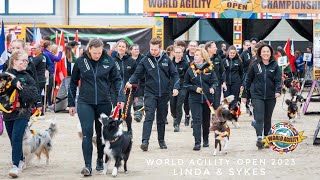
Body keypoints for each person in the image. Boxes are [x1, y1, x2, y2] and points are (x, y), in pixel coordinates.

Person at [68, 39, 125, 176]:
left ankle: (100, 159)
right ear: (89, 50)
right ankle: (87, 165)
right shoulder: (81, 62)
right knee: (87, 133)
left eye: (99, 52)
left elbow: (117, 80)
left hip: (104, 102)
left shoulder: (109, 61)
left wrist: (121, 98)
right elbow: (73, 82)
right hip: (85, 102)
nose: (97, 55)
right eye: (94, 53)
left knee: (101, 134)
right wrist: (71, 103)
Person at [126, 38, 180, 151]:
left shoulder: (166, 59)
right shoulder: (145, 60)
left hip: (164, 94)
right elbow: (137, 73)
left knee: (161, 118)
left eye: (155, 49)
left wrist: (176, 87)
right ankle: (145, 141)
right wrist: (130, 81)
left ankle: (161, 141)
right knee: (149, 116)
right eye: (151, 49)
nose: (153, 51)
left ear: (160, 48)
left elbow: (175, 74)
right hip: (150, 93)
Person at [2, 50, 39, 178]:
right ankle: (21, 158)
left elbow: (33, 96)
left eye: (26, 60)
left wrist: (21, 86)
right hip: (8, 112)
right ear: (14, 61)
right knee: (13, 138)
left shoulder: (28, 77)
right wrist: (11, 83)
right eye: (22, 60)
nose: (25, 63)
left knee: (17, 136)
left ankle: (15, 165)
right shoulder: (4, 75)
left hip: (23, 111)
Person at [242, 44, 282, 150]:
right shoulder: (255, 65)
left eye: (267, 51)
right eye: (263, 51)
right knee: (259, 117)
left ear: (271, 53)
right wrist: (245, 95)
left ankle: (266, 139)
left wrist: (278, 91)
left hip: (270, 96)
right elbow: (248, 80)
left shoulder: (275, 65)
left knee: (267, 118)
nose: (265, 53)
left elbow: (278, 80)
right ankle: (259, 138)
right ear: (260, 53)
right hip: (257, 95)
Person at [184, 48, 218, 151]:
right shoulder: (190, 69)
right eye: (195, 55)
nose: (195, 56)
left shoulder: (210, 69)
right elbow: (185, 84)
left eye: (197, 55)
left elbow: (215, 81)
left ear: (203, 57)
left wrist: (213, 87)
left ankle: (206, 139)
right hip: (194, 98)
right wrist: (195, 88)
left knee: (206, 120)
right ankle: (197, 142)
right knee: (197, 120)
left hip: (207, 98)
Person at [113, 39, 137, 134]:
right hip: (115, 91)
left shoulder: (132, 61)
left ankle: (129, 129)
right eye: (119, 46)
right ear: (116, 47)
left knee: (126, 113)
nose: (121, 48)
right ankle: (118, 131)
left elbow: (136, 76)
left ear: (126, 49)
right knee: (117, 111)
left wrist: (136, 93)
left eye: (123, 47)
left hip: (128, 91)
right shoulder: (112, 60)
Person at [170, 46, 189, 132]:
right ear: (173, 53)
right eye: (176, 52)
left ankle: (177, 124)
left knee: (179, 104)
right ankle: (174, 117)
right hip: (172, 87)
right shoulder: (170, 63)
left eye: (180, 52)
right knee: (172, 105)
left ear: (182, 53)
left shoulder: (185, 64)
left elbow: (188, 76)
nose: (178, 54)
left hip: (182, 87)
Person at [205, 41, 226, 110]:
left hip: (217, 84)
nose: (216, 48)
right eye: (214, 47)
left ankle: (215, 119)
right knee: (207, 104)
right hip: (206, 84)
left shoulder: (218, 57)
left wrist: (223, 82)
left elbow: (222, 71)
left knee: (216, 104)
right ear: (208, 48)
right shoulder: (203, 58)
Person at [241, 37, 258, 115]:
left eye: (255, 44)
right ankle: (247, 106)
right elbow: (240, 64)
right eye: (253, 43)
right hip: (246, 75)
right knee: (246, 91)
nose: (254, 45)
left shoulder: (258, 53)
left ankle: (254, 107)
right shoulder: (245, 53)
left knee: (254, 91)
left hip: (255, 77)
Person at [130, 44, 145, 123]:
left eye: (137, 49)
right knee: (130, 101)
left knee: (139, 100)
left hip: (141, 83)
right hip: (130, 83)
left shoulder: (143, 59)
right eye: (135, 49)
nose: (137, 50)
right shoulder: (128, 59)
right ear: (131, 51)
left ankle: (138, 115)